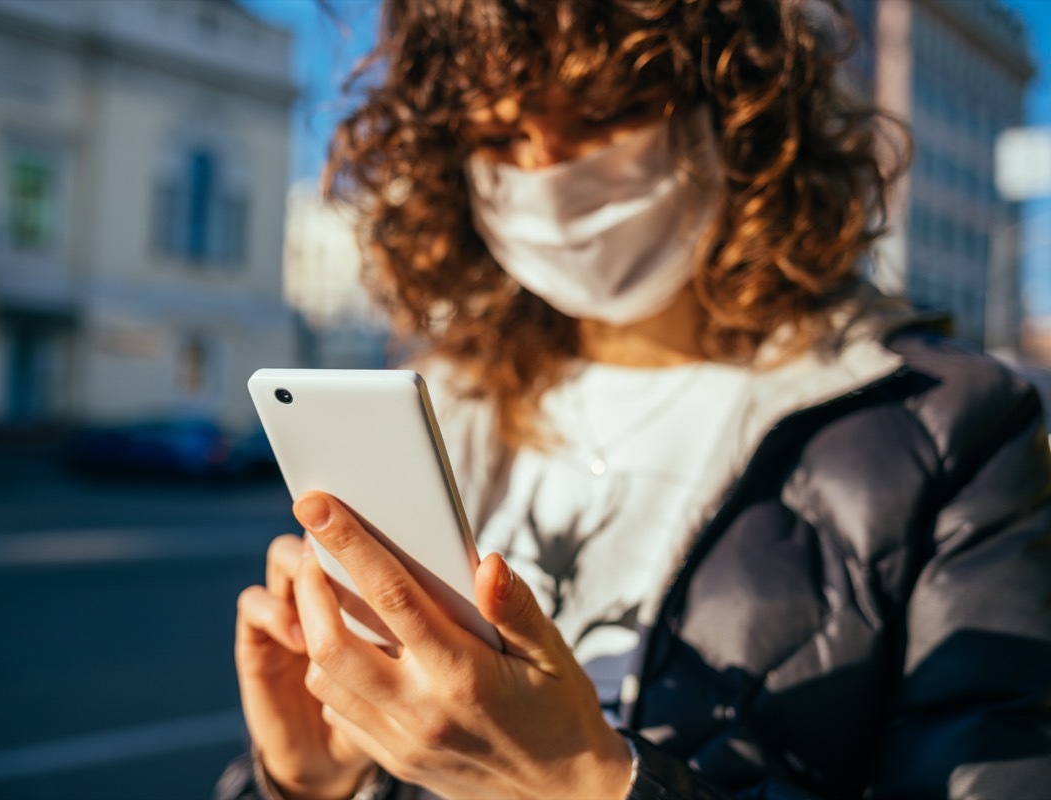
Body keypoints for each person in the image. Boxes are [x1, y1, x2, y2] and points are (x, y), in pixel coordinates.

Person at [218, 0, 1051, 798]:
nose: (547, 174)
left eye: (603, 115)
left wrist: (585, 782)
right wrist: (315, 783)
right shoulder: (448, 404)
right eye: (502, 135)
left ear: (735, 110)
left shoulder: (949, 423)